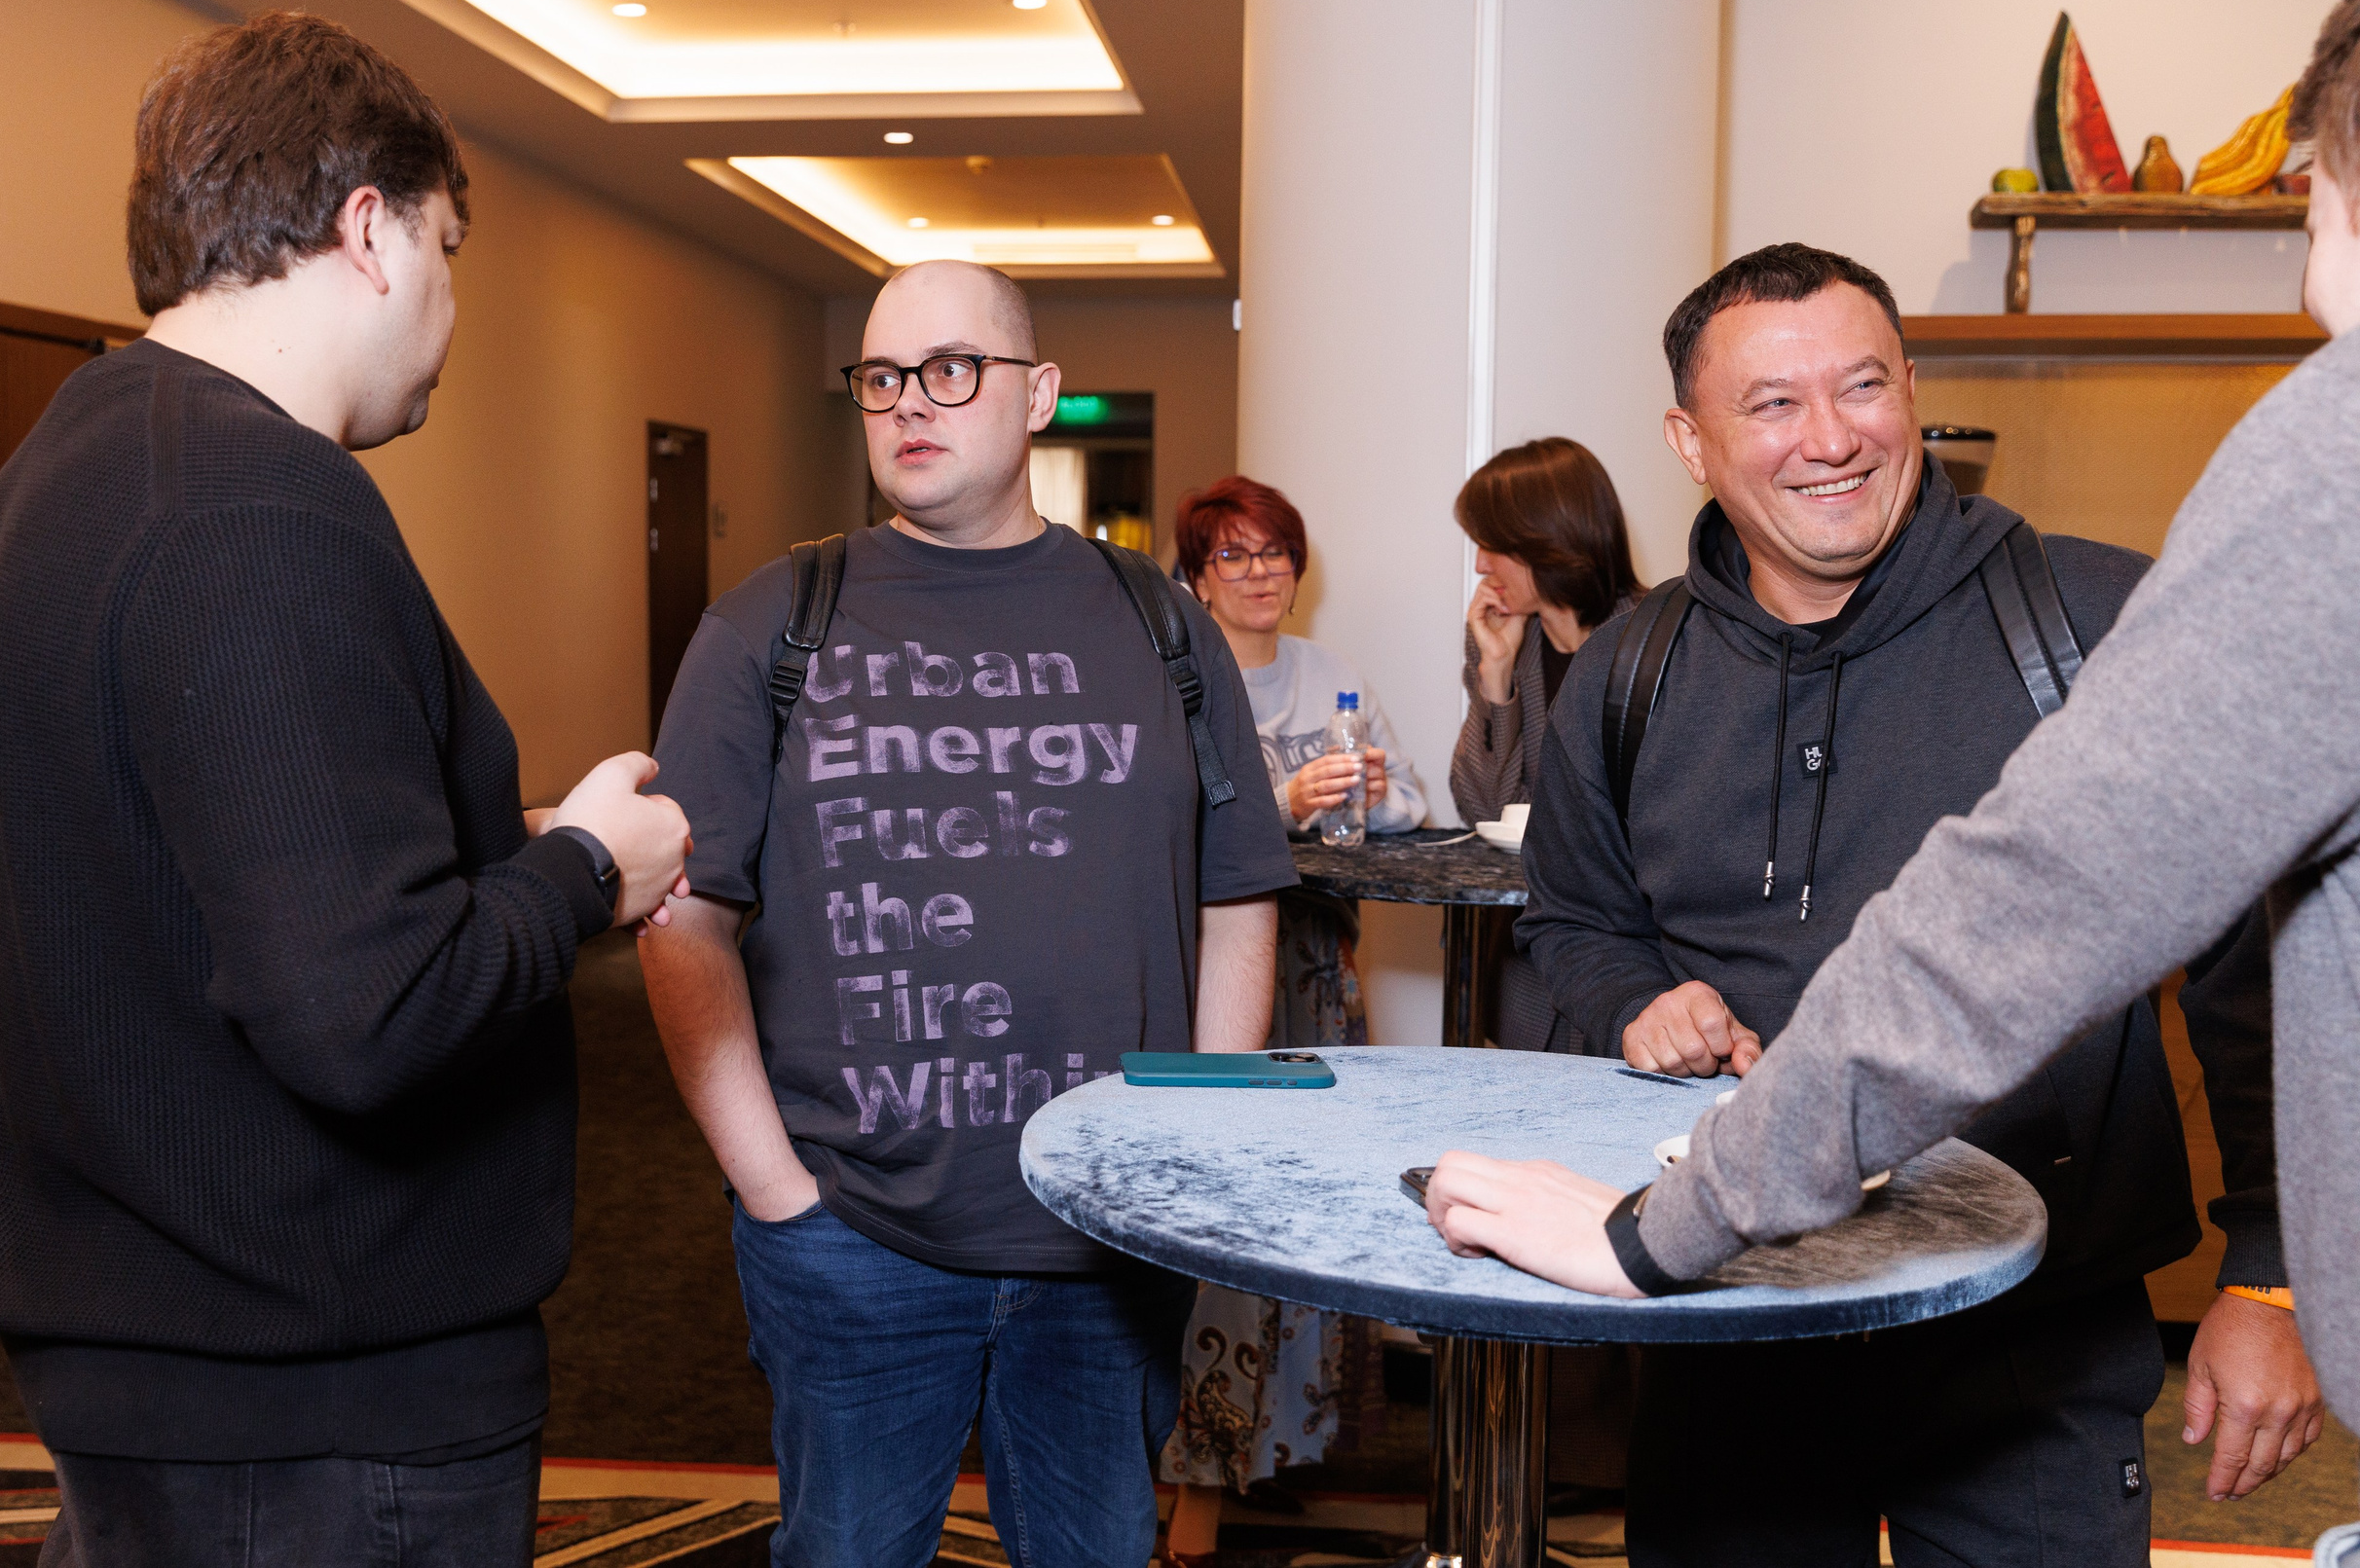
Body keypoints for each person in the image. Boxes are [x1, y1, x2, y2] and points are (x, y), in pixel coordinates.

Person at [1429, 0, 2360, 1565]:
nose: (1832, 438)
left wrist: (2267, 1273)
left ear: (1913, 388)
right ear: (1689, 440)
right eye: (1772, 403)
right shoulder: (1633, 669)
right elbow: (1573, 917)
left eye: (1864, 385)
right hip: (1732, 1309)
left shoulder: (2095, 614)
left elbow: (2254, 973)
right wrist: (1636, 999)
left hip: (2032, 1325)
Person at [0, 12, 693, 1568]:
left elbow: (189, 871)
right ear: (369, 230)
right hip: (316, 1400)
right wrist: (585, 872)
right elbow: (368, 1013)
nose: (449, 303)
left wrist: (501, 843)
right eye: (447, 249)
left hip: (151, 1346)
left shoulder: (59, 471)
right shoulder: (262, 508)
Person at [640, 259, 1294, 1568]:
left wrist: (1192, 1154)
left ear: (1038, 394)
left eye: (950, 370)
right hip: (855, 1232)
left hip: (1108, 1234)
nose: (907, 402)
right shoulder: (770, 624)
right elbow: (681, 915)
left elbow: (1235, 896)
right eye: (881, 376)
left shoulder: (1162, 624)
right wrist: (776, 1191)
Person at [1156, 475, 1420, 1561]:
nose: (1260, 572)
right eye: (1234, 554)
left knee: (1300, 1221)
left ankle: (1260, 1456)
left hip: (1314, 976)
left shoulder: (1329, 672)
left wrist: (1366, 795)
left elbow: (1408, 808)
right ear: (1195, 578)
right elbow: (1160, 825)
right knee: (1212, 1217)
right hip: (1215, 982)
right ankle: (1191, 1480)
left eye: (1275, 552)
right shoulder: (1178, 677)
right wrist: (1281, 805)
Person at [1450, 438, 1644, 1054]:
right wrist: (1496, 678)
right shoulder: (1509, 642)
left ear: (1548, 542)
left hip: (1633, 956)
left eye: (1493, 545)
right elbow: (1483, 809)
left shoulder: (1655, 642)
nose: (1481, 565)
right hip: (1526, 956)